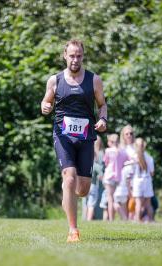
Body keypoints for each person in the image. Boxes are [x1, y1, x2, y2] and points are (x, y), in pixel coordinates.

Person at [41, 39, 107, 242]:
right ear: (65, 55)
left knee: (83, 189)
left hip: (86, 137)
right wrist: (44, 106)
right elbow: (46, 100)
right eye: (72, 55)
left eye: (79, 55)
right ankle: (73, 230)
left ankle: (67, 192)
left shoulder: (94, 80)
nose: (75, 59)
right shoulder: (55, 80)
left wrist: (103, 118)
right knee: (69, 177)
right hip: (63, 136)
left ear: (83, 56)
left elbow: (102, 104)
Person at [132, 138, 154, 223]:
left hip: (137, 181)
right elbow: (152, 173)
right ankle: (151, 219)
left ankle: (137, 219)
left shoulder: (133, 157)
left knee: (138, 203)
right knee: (148, 203)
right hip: (147, 180)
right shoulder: (149, 157)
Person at [83, 136, 105, 221]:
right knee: (91, 203)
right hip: (93, 182)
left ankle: (86, 218)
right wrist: (101, 173)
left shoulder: (87, 153)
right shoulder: (98, 153)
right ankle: (89, 219)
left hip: (86, 181)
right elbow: (97, 168)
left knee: (87, 201)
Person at [102, 134, 121, 221]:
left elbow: (105, 162)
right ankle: (114, 217)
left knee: (110, 199)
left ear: (111, 142)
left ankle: (111, 218)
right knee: (114, 198)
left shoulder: (108, 150)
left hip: (109, 175)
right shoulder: (120, 151)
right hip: (117, 177)